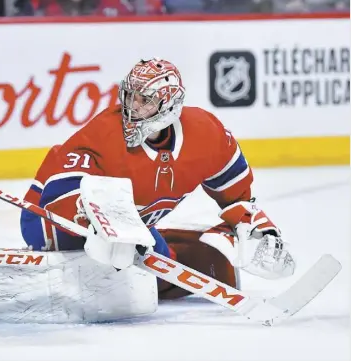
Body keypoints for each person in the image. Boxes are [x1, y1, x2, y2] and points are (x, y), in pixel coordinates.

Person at [20, 57, 296, 299]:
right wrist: (107, 228)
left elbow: (237, 196)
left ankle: (192, 248)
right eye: (130, 96)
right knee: (128, 267)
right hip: (47, 223)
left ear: (169, 104)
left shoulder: (205, 133)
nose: (132, 107)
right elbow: (57, 201)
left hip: (134, 232)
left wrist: (257, 229)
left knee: (158, 270)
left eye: (145, 100)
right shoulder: (102, 134)